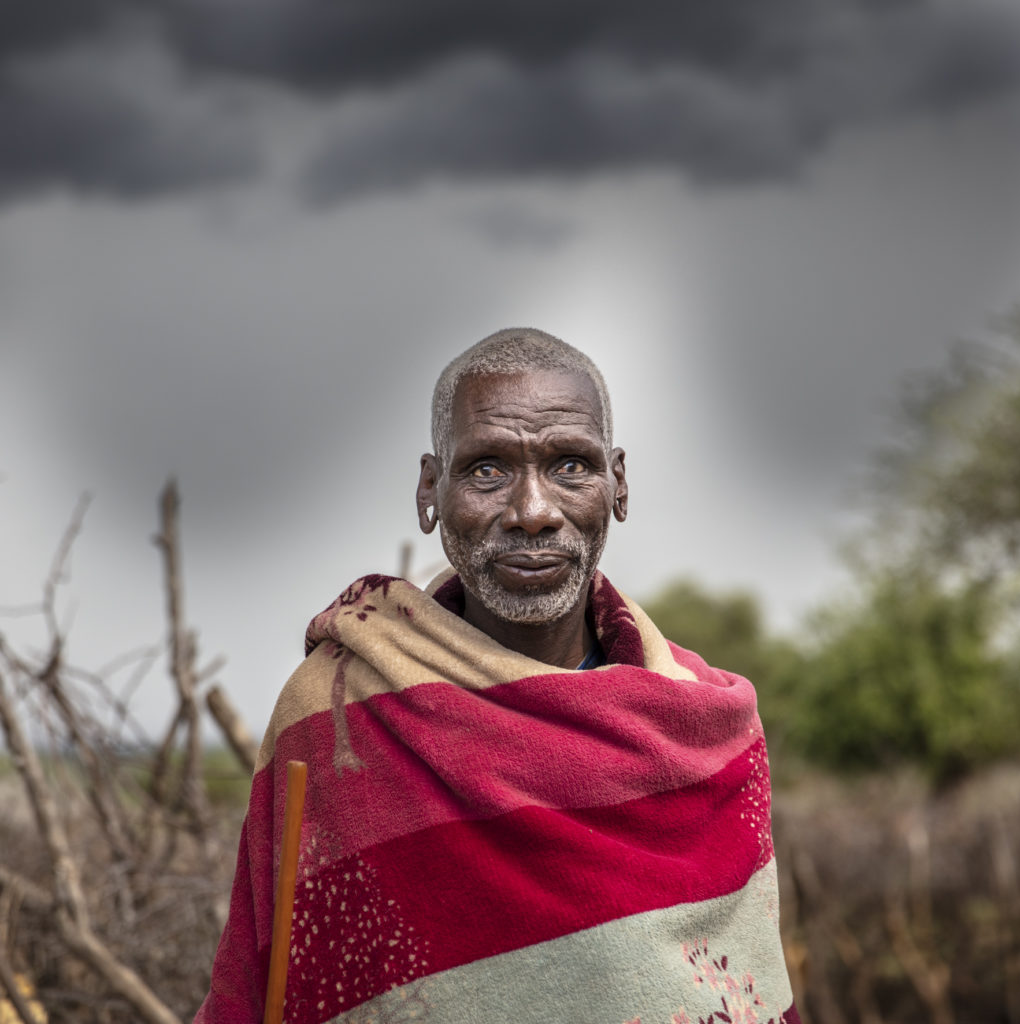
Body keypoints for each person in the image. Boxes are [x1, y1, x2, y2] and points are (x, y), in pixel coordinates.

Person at [195, 328, 801, 1024]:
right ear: (431, 490)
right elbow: (264, 978)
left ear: (619, 484)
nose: (533, 512)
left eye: (571, 465)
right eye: (487, 469)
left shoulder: (705, 729)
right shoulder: (339, 714)